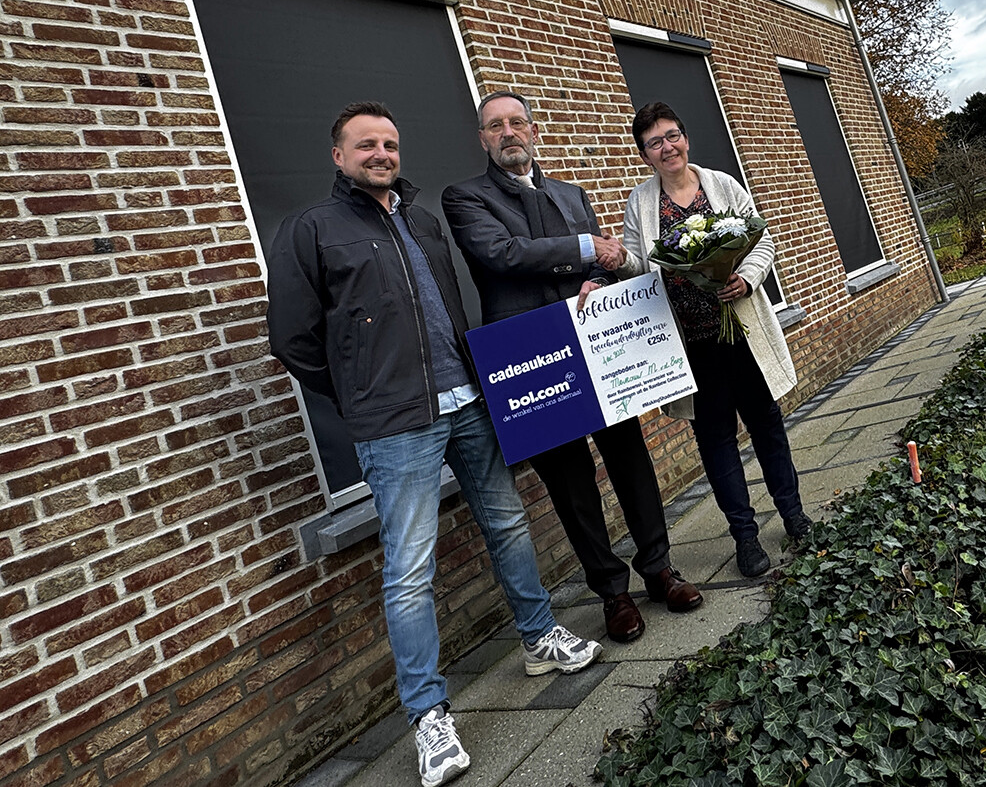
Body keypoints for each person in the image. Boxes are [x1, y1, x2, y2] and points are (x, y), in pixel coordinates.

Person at [267, 101, 600, 787]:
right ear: (338, 155)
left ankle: (539, 637)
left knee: (508, 523)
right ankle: (427, 713)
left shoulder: (421, 219)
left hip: (467, 401)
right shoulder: (312, 229)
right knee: (409, 569)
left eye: (389, 143)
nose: (381, 154)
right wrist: (361, 393)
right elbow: (293, 340)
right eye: (365, 144)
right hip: (395, 425)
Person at [442, 90, 702, 646]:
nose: (508, 133)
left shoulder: (570, 193)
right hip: (530, 356)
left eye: (517, 122)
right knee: (570, 482)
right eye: (496, 126)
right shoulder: (464, 198)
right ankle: (612, 592)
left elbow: (602, 267)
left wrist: (599, 278)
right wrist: (586, 248)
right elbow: (502, 254)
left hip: (594, 343)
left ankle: (659, 568)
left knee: (630, 458)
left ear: (533, 131)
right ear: (483, 139)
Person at [606, 100, 811, 578]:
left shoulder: (722, 184)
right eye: (654, 143)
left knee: (767, 426)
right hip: (692, 346)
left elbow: (761, 239)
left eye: (672, 136)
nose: (667, 147)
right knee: (716, 441)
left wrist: (747, 278)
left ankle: (794, 516)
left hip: (743, 334)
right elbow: (640, 267)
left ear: (685, 137)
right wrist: (618, 262)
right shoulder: (641, 203)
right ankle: (745, 536)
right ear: (644, 154)